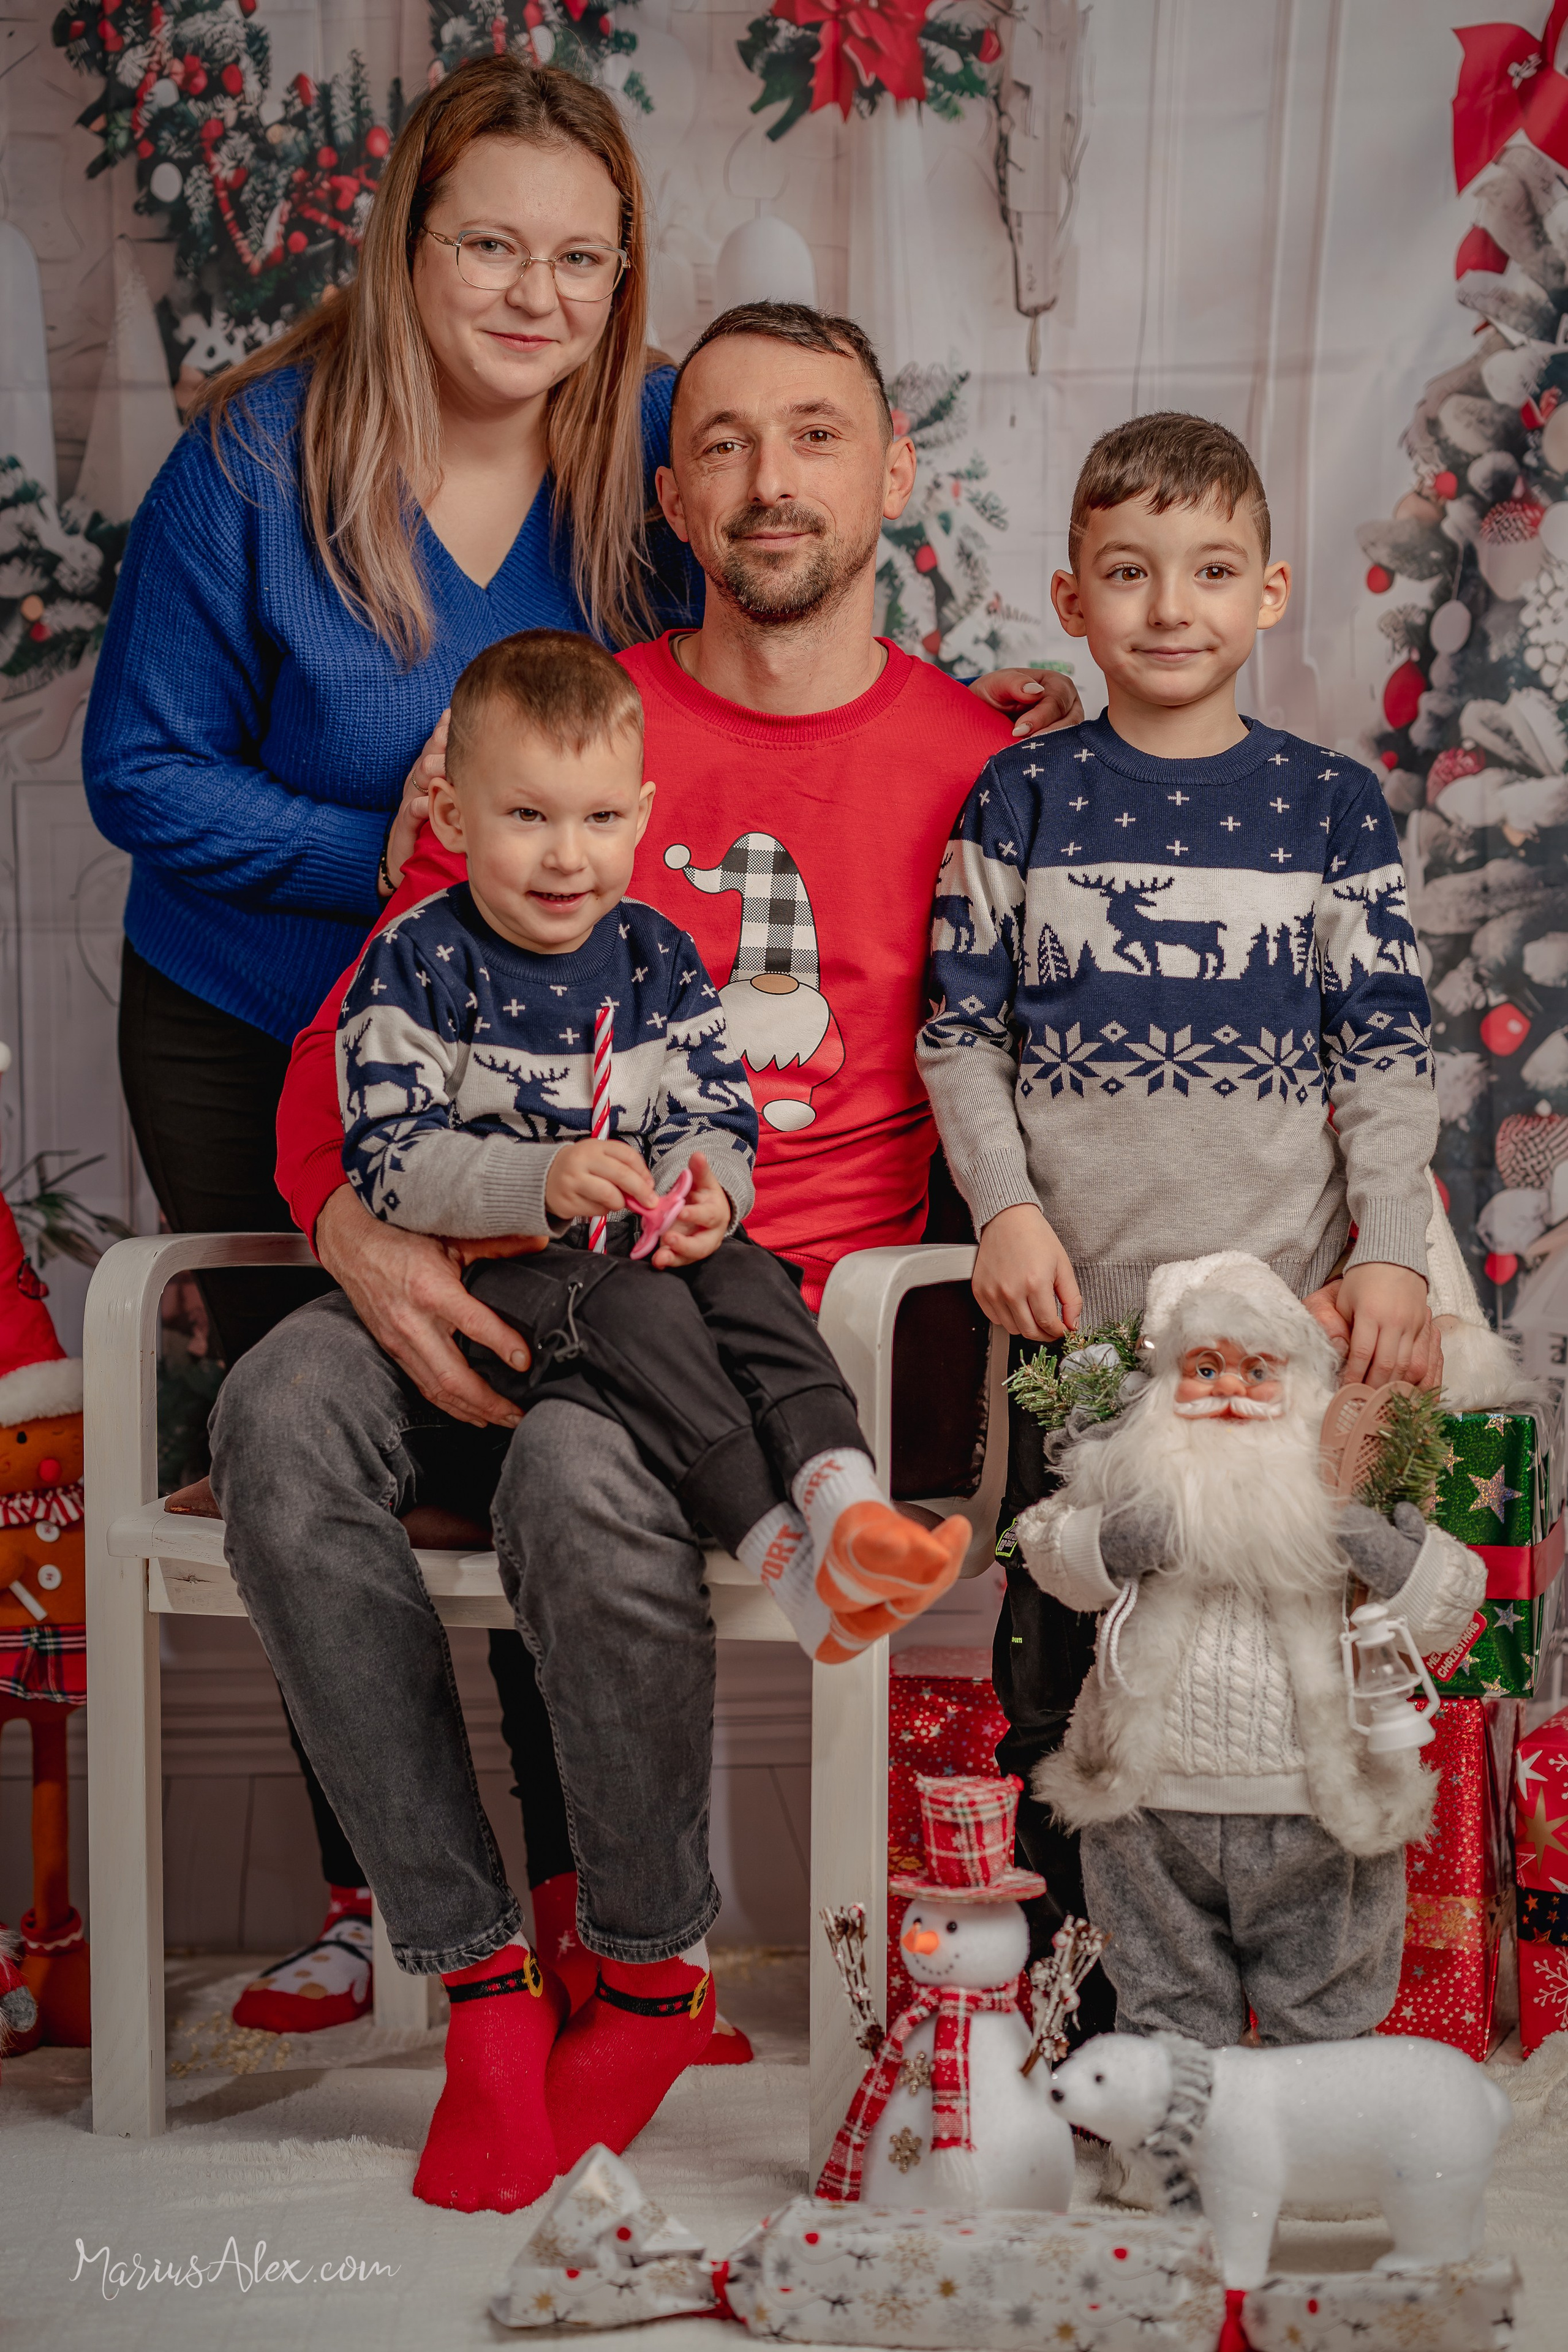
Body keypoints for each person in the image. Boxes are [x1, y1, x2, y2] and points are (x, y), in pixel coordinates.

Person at [83, 50, 1074, 2037]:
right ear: (406, 244)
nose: (534, 291)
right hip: (275, 1010)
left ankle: (590, 1917)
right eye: (488, 247)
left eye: (580, 256)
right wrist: (383, 869)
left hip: (592, 1122)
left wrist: (970, 722)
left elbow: (794, 626)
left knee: (572, 1415)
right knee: (312, 1408)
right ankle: (399, 1915)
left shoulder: (647, 445)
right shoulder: (261, 469)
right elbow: (140, 770)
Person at [213, 300, 1059, 2214]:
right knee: (274, 1407)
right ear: (671, 489)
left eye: (820, 436)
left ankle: (654, 1966)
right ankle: (480, 1973)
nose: (772, 482)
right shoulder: (554, 727)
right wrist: (355, 1232)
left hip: (729, 1337)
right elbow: (352, 1037)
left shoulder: (981, 768)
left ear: (895, 472)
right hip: (472, 1258)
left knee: (589, 1472)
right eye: (729, 443)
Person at [915, 410, 1442, 2022]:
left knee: (1294, 1631)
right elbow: (959, 1030)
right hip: (1077, 1323)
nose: (1169, 606)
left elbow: (1388, 1050)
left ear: (1269, 591)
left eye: (1211, 570)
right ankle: (1081, 1984)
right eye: (1128, 573)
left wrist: (1396, 1254)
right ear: (1071, 600)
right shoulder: (1024, 803)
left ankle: (1291, 1985)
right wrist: (1001, 1211)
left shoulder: (1329, 810)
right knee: (1064, 1635)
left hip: (1279, 1324)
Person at [339, 626, 970, 1657]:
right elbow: (387, 1158)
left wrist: (707, 1189)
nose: (564, 854)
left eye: (596, 820)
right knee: (633, 1302)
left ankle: (848, 1505)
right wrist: (540, 1180)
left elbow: (710, 1109)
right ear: (452, 815)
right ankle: (783, 1555)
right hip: (504, 1272)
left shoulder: (655, 953)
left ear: (640, 818)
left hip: (634, 1249)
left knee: (748, 1277)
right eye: (527, 817)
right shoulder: (419, 958)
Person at [1013, 1251, 1482, 2045]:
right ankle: (1174, 2159)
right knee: (1165, 2003)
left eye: (1257, 1370)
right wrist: (1114, 1540)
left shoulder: (1344, 1492)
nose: (1230, 1390)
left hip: (1315, 1807)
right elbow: (1048, 1549)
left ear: (1301, 1387)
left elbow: (1451, 1605)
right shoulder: (1128, 1483)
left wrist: (1382, 1550)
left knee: (1325, 2006)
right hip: (1149, 1807)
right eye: (1204, 1368)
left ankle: (1315, 2157)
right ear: (1165, 1388)